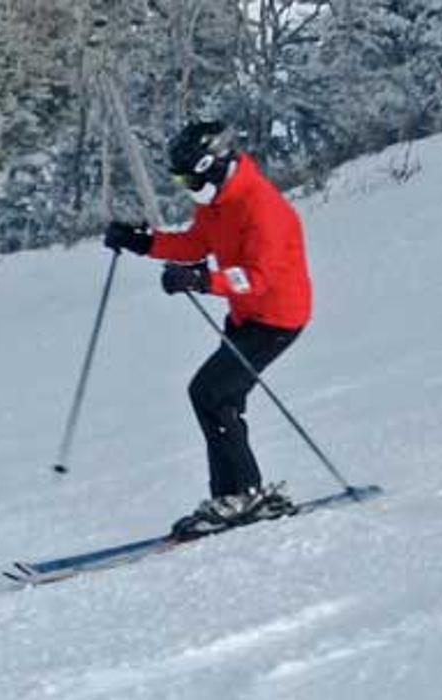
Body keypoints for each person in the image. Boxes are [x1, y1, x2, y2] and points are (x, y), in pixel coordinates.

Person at [104, 121, 314, 539]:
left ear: (212, 166)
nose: (185, 186)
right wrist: (142, 242)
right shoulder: (218, 201)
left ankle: (242, 495)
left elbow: (258, 278)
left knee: (210, 393)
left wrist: (203, 281)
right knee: (221, 398)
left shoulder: (262, 208)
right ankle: (236, 495)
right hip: (245, 316)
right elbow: (196, 243)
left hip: (276, 318)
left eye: (188, 178)